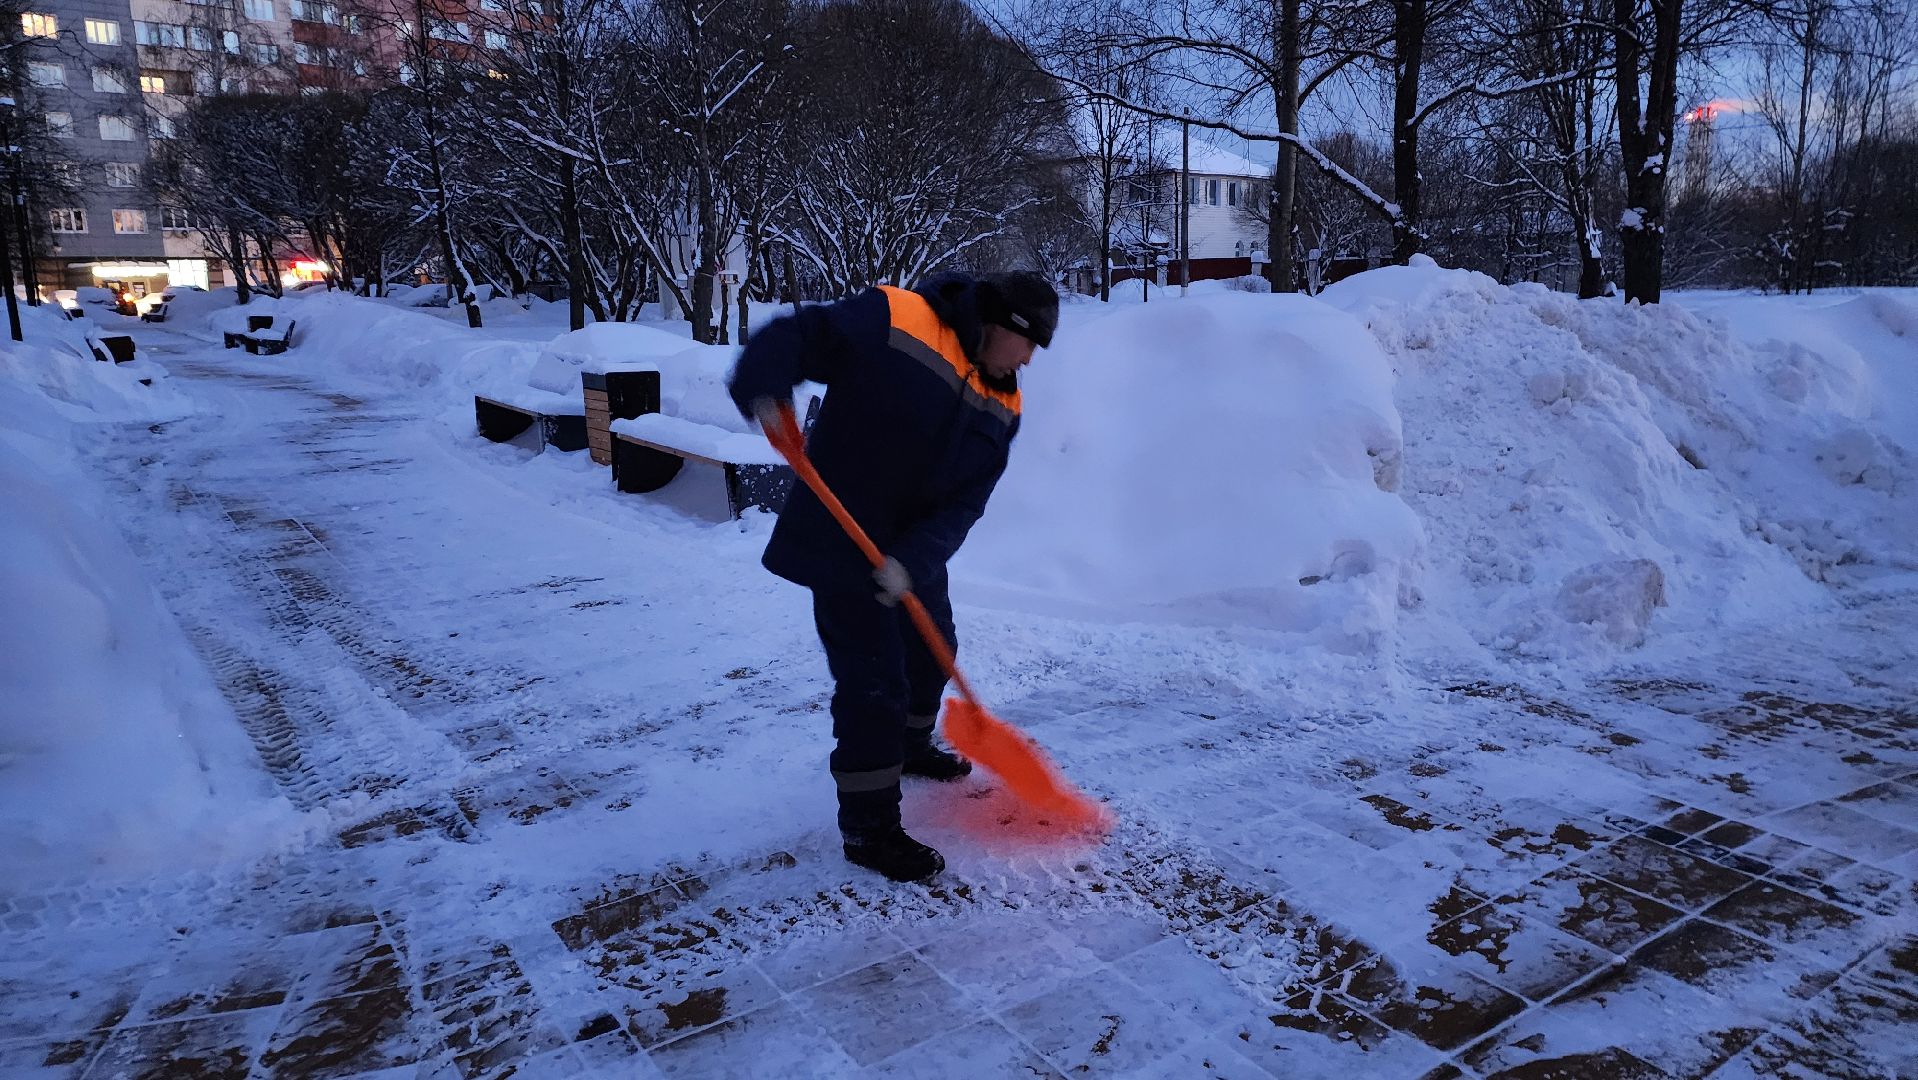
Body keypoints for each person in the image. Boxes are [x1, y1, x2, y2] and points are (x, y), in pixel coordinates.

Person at [727, 270, 1059, 882]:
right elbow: (802, 335)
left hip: (907, 555)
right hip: (842, 536)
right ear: (1000, 325)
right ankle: (870, 828)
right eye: (1030, 342)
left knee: (933, 655)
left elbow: (965, 502)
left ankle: (910, 748)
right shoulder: (899, 319)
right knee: (874, 685)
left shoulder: (1004, 401)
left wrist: (914, 560)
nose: (1031, 359)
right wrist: (766, 386)